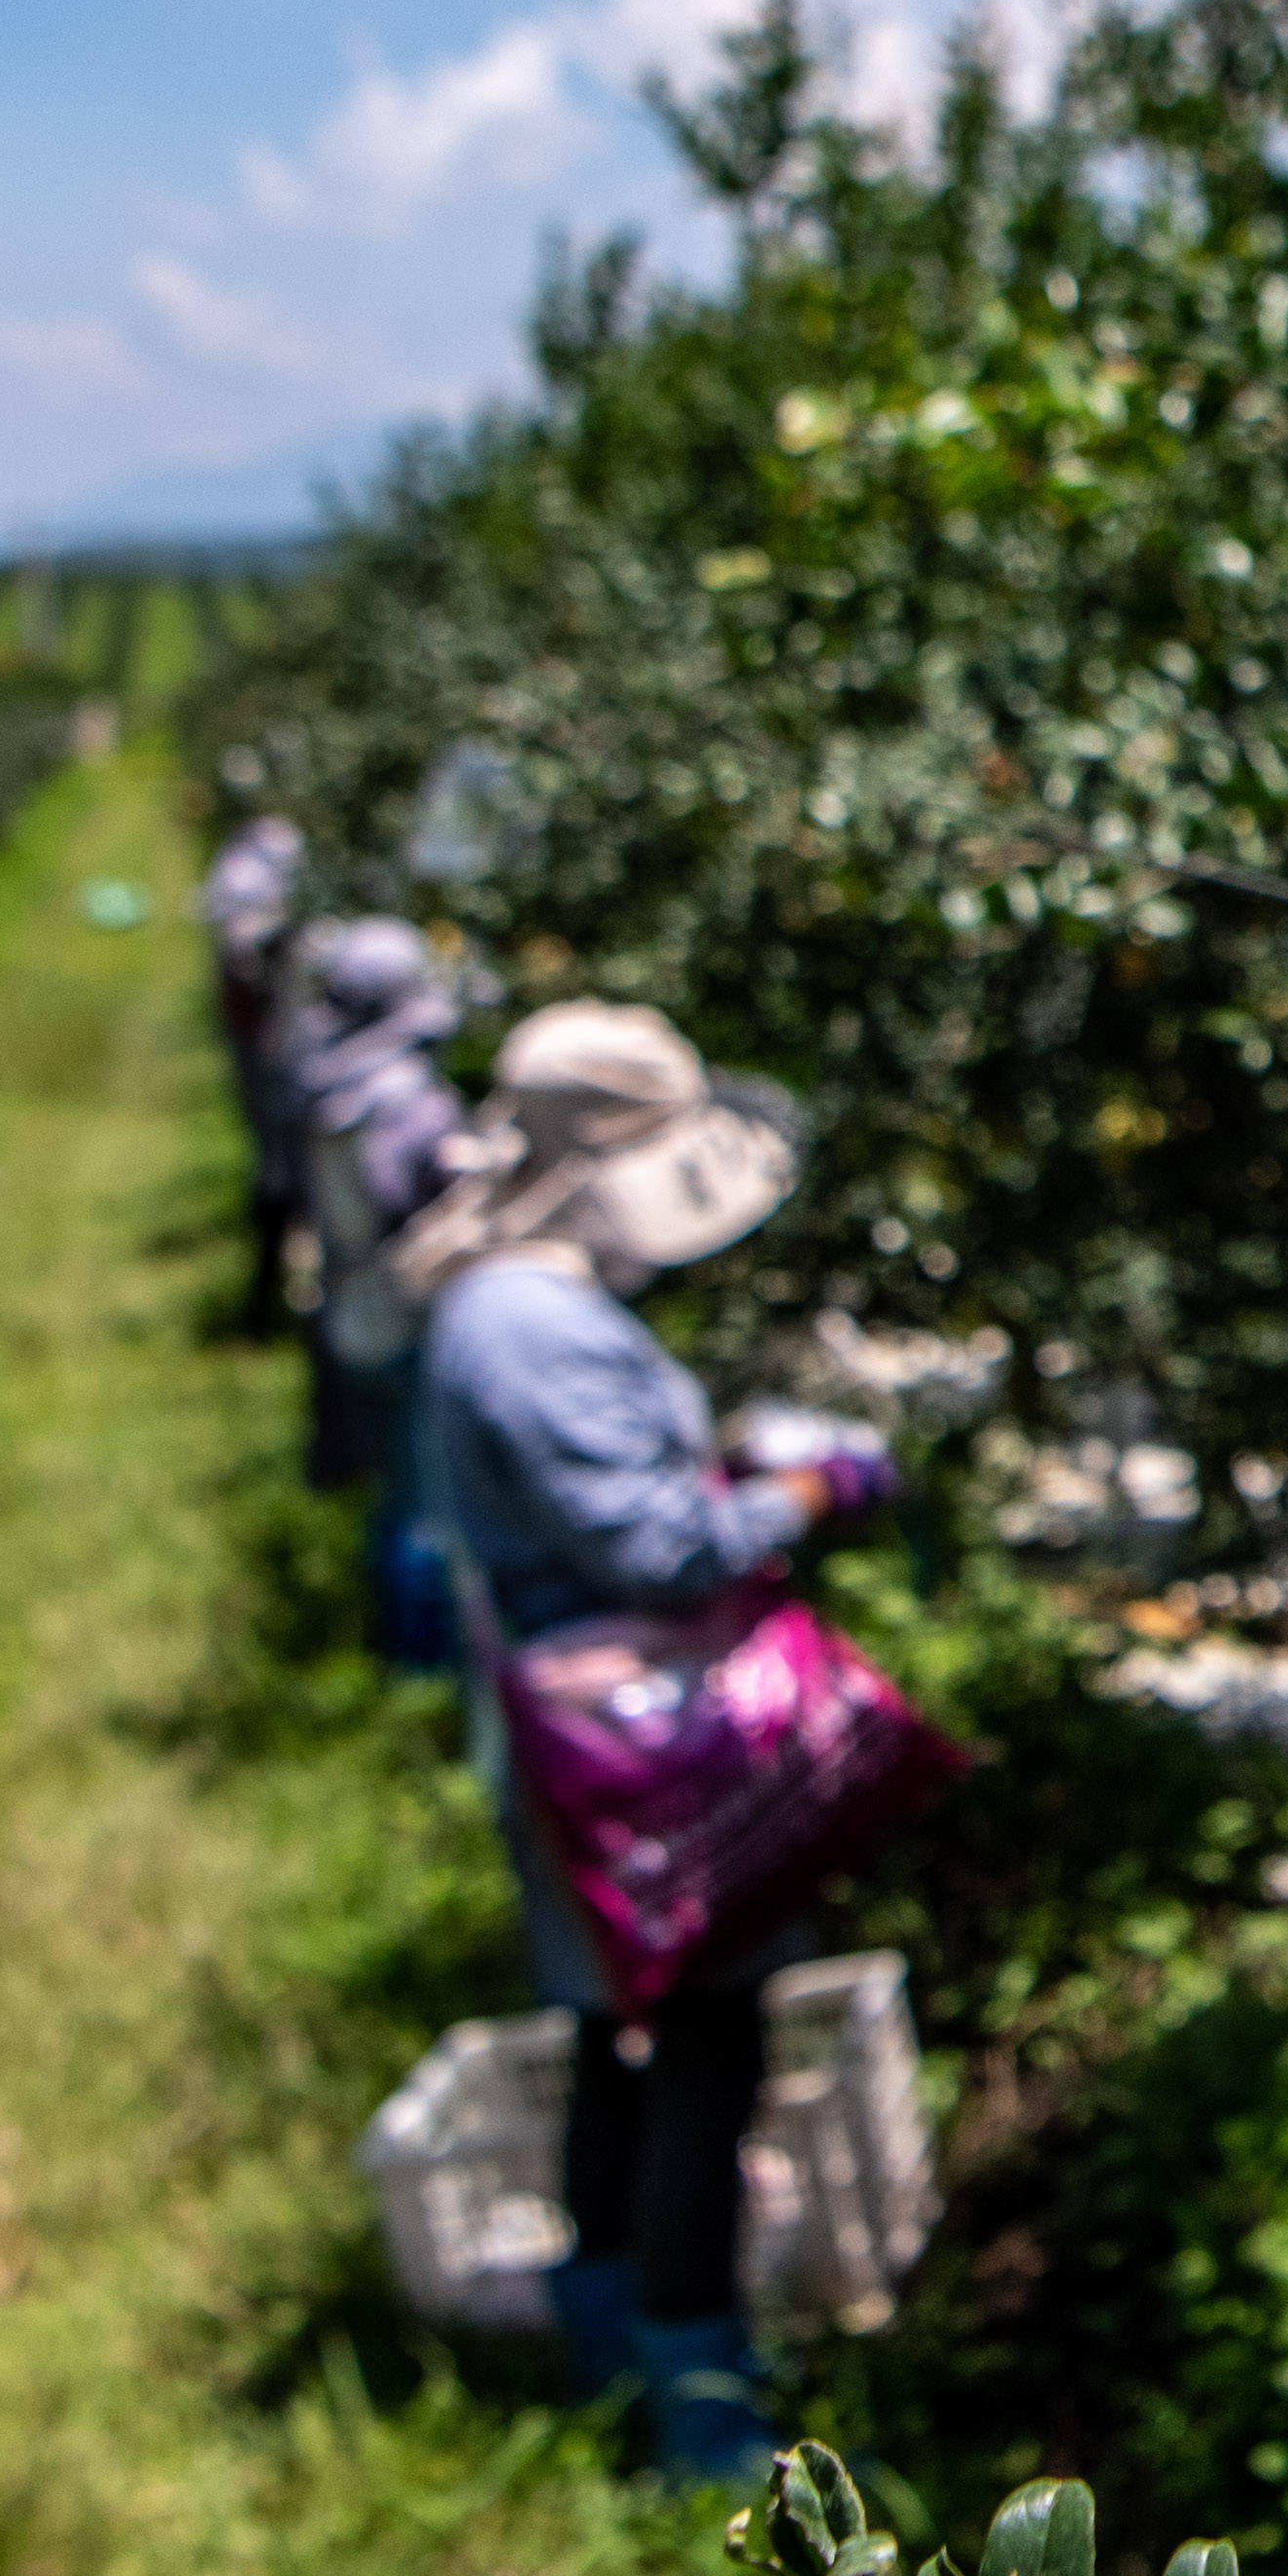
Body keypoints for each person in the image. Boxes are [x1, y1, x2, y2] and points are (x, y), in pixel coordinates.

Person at [394, 1004, 897, 2484]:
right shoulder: (528, 1321)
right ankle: (697, 2393)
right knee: (704, 2037)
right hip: (625, 1741)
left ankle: (606, 2319)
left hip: (579, 1719)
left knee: (626, 2030)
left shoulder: (502, 1298)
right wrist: (811, 1492)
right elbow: (662, 1546)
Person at [287, 919, 473, 1660]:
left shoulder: (327, 1081)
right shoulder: (404, 1098)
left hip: (344, 1300)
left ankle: (391, 1630)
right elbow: (420, 1207)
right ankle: (421, 1659)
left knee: (395, 1485)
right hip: (399, 1310)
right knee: (428, 1502)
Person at [195, 816, 307, 1325]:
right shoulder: (249, 882)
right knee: (277, 1162)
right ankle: (268, 1293)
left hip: (271, 1044)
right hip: (267, 1044)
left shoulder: (246, 875)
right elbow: (243, 957)